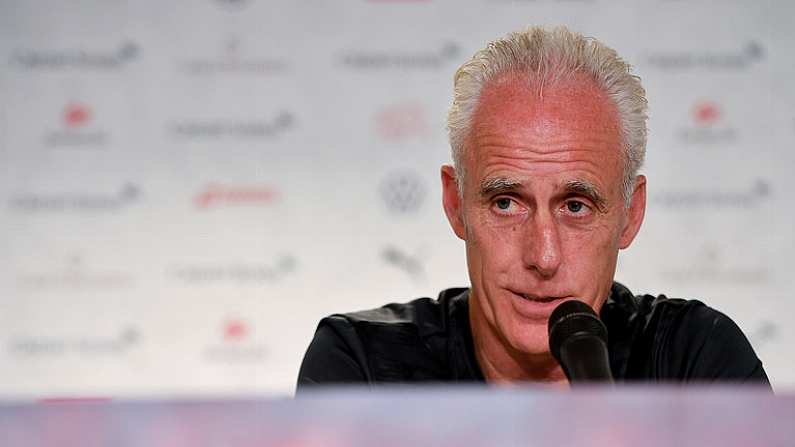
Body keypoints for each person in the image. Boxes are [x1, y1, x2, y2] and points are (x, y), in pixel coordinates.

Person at [297, 26, 769, 388]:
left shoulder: (694, 362)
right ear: (455, 202)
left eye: (576, 206)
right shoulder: (363, 367)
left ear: (631, 213)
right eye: (506, 203)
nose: (543, 257)